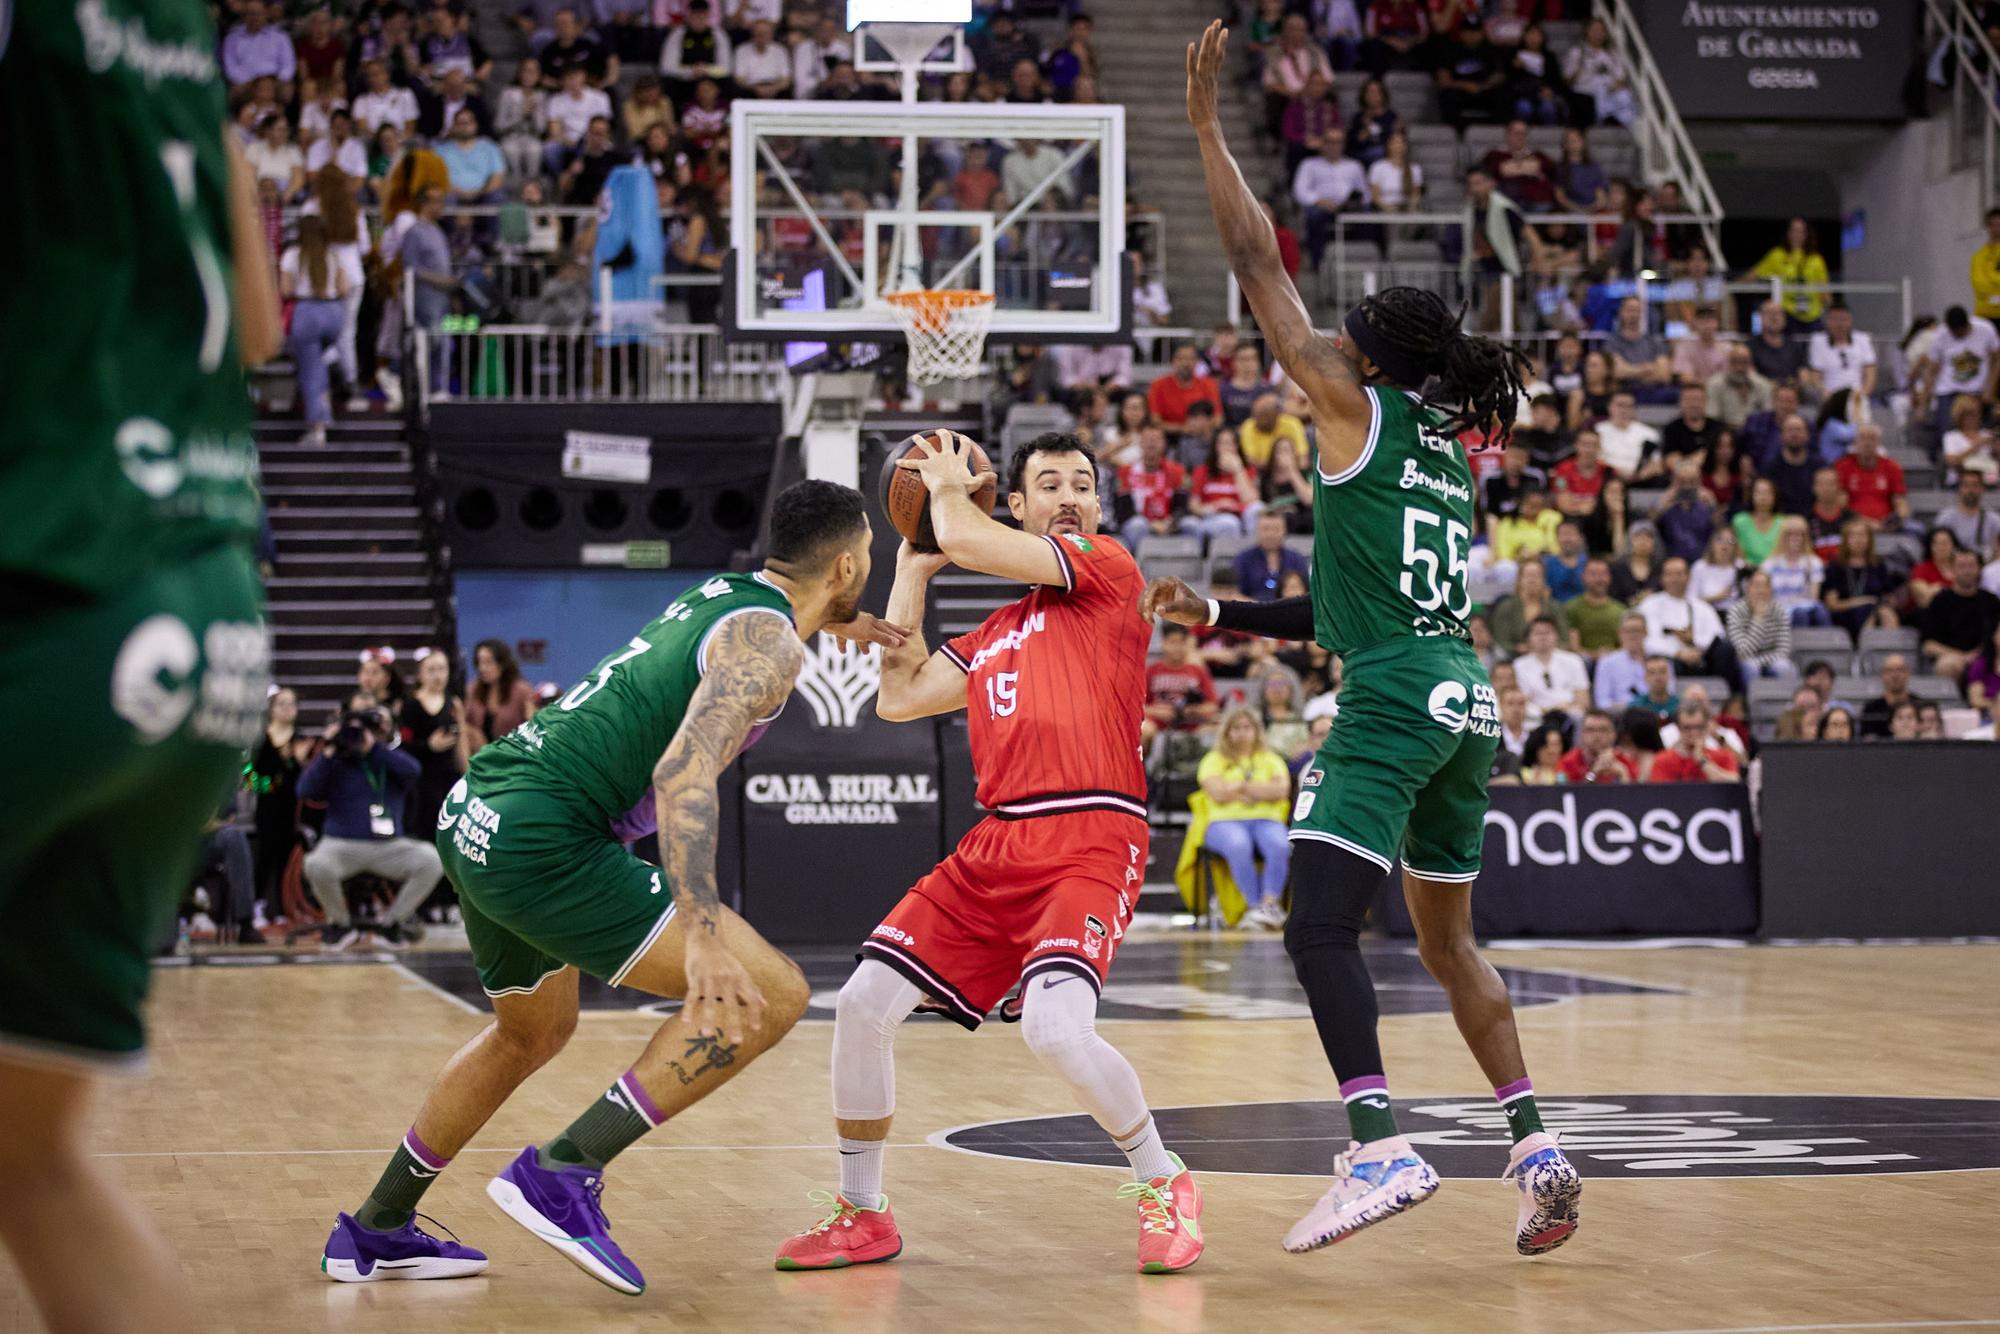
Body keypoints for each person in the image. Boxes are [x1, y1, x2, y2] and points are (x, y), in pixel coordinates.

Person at [1161, 22, 1582, 1260]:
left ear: (1367, 359)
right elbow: (1351, 609)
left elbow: (1253, 259)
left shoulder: (1352, 409)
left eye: (1341, 336)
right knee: (1450, 943)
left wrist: (1200, 127)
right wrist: (1223, 614)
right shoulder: (1447, 454)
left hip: (1397, 696)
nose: (1323, 341)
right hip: (1461, 692)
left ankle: (1377, 1146)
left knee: (1313, 930)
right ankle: (1536, 1147)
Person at [320, 481, 896, 1290]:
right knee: (765, 995)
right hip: (542, 839)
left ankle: (375, 1226)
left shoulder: (733, 594)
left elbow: (791, 612)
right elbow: (683, 774)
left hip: (477, 811)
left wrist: (847, 617)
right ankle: (561, 1171)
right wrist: (701, 935)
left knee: (530, 1033)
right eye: (868, 558)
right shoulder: (770, 650)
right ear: (845, 565)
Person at [0, 8, 283, 1328]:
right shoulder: (175, 32)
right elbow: (263, 318)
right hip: (205, 614)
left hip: (50, 579)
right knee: (33, 1163)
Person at [777, 436, 1207, 1276]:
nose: (1071, 495)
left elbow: (971, 539)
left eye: (1083, 483)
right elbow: (898, 698)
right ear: (1018, 503)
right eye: (1049, 485)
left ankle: (1165, 1182)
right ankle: (863, 1211)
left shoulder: (1108, 569)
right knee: (863, 1003)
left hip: (1090, 831)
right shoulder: (996, 634)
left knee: (1052, 1028)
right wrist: (912, 568)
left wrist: (945, 496)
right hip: (998, 842)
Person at [297, 704, 443, 949]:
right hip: (340, 844)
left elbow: (414, 771)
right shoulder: (335, 761)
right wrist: (329, 750)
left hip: (389, 846)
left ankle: (392, 923)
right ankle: (340, 925)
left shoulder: (388, 758)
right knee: (315, 864)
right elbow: (305, 790)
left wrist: (373, 748)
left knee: (432, 861)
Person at [1198, 707, 1296, 929]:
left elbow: (1281, 791)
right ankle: (1255, 907)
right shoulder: (1213, 760)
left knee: (1280, 844)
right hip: (1223, 821)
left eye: (1247, 727)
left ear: (1257, 731)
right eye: (1236, 728)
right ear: (1226, 732)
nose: (1242, 733)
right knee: (1237, 844)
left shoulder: (1271, 759)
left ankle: (1269, 904)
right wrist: (1260, 790)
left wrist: (1240, 786)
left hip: (1266, 819)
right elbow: (1218, 794)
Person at [280, 215, 354, 448]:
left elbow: (285, 289)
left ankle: (317, 427)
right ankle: (331, 368)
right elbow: (344, 288)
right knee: (319, 364)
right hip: (333, 314)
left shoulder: (292, 255)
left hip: (307, 312)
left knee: (310, 372)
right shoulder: (333, 255)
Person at [1636, 557, 1743, 688]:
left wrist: (1694, 641)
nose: (1674, 579)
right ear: (1662, 578)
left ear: (1688, 577)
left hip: (1700, 657)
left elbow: (1717, 636)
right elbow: (1646, 640)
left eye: (1679, 574)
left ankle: (1726, 696)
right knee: (1664, 663)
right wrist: (1678, 653)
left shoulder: (1702, 607)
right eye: (1669, 574)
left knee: (1726, 649)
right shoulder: (1650, 605)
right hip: (1670, 658)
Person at [400, 647, 466, 841]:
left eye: (442, 669)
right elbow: (404, 746)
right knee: (428, 828)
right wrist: (429, 745)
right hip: (422, 779)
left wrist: (468, 774)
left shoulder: (453, 703)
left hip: (448, 775)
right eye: (431, 670)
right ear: (420, 674)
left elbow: (462, 741)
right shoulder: (411, 705)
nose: (438, 676)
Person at [1921, 549, 2000, 681]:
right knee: (1948, 665)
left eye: (1971, 566)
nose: (1967, 571)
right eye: (1961, 566)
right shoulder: (1940, 601)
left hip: (1987, 657)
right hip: (1951, 656)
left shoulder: (1991, 601)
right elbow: (1928, 644)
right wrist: (1961, 656)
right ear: (1952, 570)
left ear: (1980, 569)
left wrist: (1978, 655)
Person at [1821, 517, 1901, 643]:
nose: (1859, 540)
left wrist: (1883, 604)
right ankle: (1864, 650)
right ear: (1846, 540)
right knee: (1871, 612)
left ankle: (1891, 650)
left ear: (1870, 539)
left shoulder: (1877, 564)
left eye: (1863, 535)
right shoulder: (1836, 566)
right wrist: (1863, 602)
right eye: (1853, 536)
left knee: (1885, 612)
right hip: (1845, 614)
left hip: (1877, 612)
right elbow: (1832, 604)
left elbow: (1889, 597)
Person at [1145, 623, 1222, 745]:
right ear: (1164, 643)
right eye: (1172, 642)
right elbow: (1139, 706)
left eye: (1181, 642)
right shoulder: (1152, 670)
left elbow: (1212, 706)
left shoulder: (1198, 671)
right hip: (1158, 722)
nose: (1177, 647)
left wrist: (1189, 710)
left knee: (1219, 730)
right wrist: (1159, 712)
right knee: (1144, 729)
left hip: (1191, 723)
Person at [1750, 217, 1829, 334]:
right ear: (1787, 233)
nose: (1796, 235)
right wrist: (1732, 286)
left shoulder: (1816, 259)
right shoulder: (1777, 255)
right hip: (1788, 313)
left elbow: (1824, 291)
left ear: (1807, 234)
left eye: (1800, 231)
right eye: (1793, 230)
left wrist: (1831, 312)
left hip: (1812, 314)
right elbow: (1754, 274)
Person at [1513, 616, 1589, 728]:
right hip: (1537, 715)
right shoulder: (1519, 665)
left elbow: (1583, 698)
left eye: (1547, 632)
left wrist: (1566, 707)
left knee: (1579, 715)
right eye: (1538, 633)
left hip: (1568, 712)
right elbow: (1523, 699)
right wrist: (1546, 710)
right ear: (1529, 638)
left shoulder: (1573, 660)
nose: (1543, 637)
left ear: (1556, 635)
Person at [465, 638, 539, 752]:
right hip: (479, 758)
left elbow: (533, 726)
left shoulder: (522, 691)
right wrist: (473, 733)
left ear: (502, 664)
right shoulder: (472, 689)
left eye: (488, 662)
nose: (482, 668)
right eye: (479, 662)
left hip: (512, 757)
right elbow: (462, 723)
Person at [1650, 692, 1740, 782]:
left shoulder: (1723, 756)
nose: (1693, 733)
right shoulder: (1663, 760)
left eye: (1698, 727)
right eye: (1687, 728)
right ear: (1678, 728)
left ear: (1706, 727)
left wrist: (1703, 761)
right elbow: (1660, 792)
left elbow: (1733, 785)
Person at [1487, 559, 1567, 659]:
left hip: (1550, 656)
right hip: (1513, 658)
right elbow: (1500, 640)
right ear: (1519, 580)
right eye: (1528, 575)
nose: (1532, 580)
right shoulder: (1506, 606)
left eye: (1536, 575)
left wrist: (1546, 648)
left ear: (1543, 580)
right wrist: (1517, 648)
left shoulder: (1554, 607)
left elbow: (1564, 639)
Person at [1188, 430, 1261, 538]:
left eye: (1230, 443)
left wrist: (1238, 470)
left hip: (1241, 517)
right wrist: (1216, 506)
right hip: (1214, 517)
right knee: (1230, 523)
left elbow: (1252, 501)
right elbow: (1194, 506)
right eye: (1222, 443)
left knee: (1257, 509)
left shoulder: (1248, 471)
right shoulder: (1202, 471)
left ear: (1237, 447)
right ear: (1215, 447)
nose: (1226, 448)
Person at [1562, 17, 1634, 124]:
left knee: (1625, 96)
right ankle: (1604, 118)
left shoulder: (1611, 54)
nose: (1598, 33)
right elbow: (1567, 79)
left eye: (1601, 30)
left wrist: (1614, 87)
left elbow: (1621, 79)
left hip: (1609, 91)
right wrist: (1580, 69)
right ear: (1587, 31)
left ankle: (1623, 122)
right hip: (1586, 92)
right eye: (1595, 30)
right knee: (1599, 91)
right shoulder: (1578, 52)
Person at [1727, 568, 1794, 681]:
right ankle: (1751, 698)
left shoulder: (1779, 611)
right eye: (1757, 586)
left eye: (1765, 586)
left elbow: (1784, 650)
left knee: (1785, 667)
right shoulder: (1736, 611)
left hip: (1771, 659)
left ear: (1771, 590)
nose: (1761, 591)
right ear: (1748, 589)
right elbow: (1742, 653)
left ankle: (1786, 698)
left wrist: (1760, 661)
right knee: (1751, 667)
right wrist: (1758, 619)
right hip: (1745, 662)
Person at [1804, 305, 1877, 401]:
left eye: (1843, 320)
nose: (1839, 324)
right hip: (1829, 396)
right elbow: (1816, 378)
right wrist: (1825, 393)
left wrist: (1861, 396)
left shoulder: (1863, 339)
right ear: (1827, 322)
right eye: (1835, 320)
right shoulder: (1818, 341)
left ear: (1850, 321)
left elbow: (1871, 375)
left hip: (1857, 395)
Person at [1236, 508, 1311, 600]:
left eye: (1276, 529)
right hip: (1252, 610)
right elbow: (1235, 594)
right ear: (1257, 531)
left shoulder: (1296, 559)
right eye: (1265, 529)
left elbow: (1305, 593)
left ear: (1285, 531)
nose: (1270, 534)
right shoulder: (1243, 559)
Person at [1596, 391, 1663, 485]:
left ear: (1634, 410)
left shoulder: (1649, 433)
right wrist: (1617, 472)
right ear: (1609, 407)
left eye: (1629, 406)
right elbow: (1595, 460)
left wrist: (1640, 475)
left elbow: (1656, 464)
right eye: (1620, 405)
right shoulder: (1597, 430)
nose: (1624, 410)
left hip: (1641, 479)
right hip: (1607, 478)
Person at [1707, 343, 1774, 431]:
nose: (1739, 368)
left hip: (1755, 434)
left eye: (1744, 362)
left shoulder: (1763, 385)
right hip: (1724, 434)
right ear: (1728, 363)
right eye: (1735, 362)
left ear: (1750, 364)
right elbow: (1712, 418)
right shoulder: (1715, 385)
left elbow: (1768, 416)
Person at [1558, 709, 1632, 783]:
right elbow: (1570, 794)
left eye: (1603, 730)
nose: (1597, 735)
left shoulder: (1625, 761)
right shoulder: (1568, 762)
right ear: (1581, 735)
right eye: (1590, 730)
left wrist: (1623, 774)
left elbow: (1635, 793)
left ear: (1613, 735)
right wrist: (1593, 773)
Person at [1940, 470, 2000, 561]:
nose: (1970, 490)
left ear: (1982, 489)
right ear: (1959, 488)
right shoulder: (1945, 519)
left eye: (1975, 485)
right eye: (1966, 485)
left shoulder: (1994, 521)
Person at [1733, 476, 1785, 568]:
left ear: (1775, 496)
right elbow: (1738, 554)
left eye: (1768, 493)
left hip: (1777, 571)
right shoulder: (1740, 521)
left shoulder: (1784, 522)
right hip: (1748, 571)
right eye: (1759, 492)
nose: (1763, 497)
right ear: (1751, 495)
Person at [1608, 519, 1662, 602]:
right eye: (1638, 536)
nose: (1643, 541)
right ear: (1629, 540)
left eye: (1648, 536)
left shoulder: (1662, 569)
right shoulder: (1617, 569)